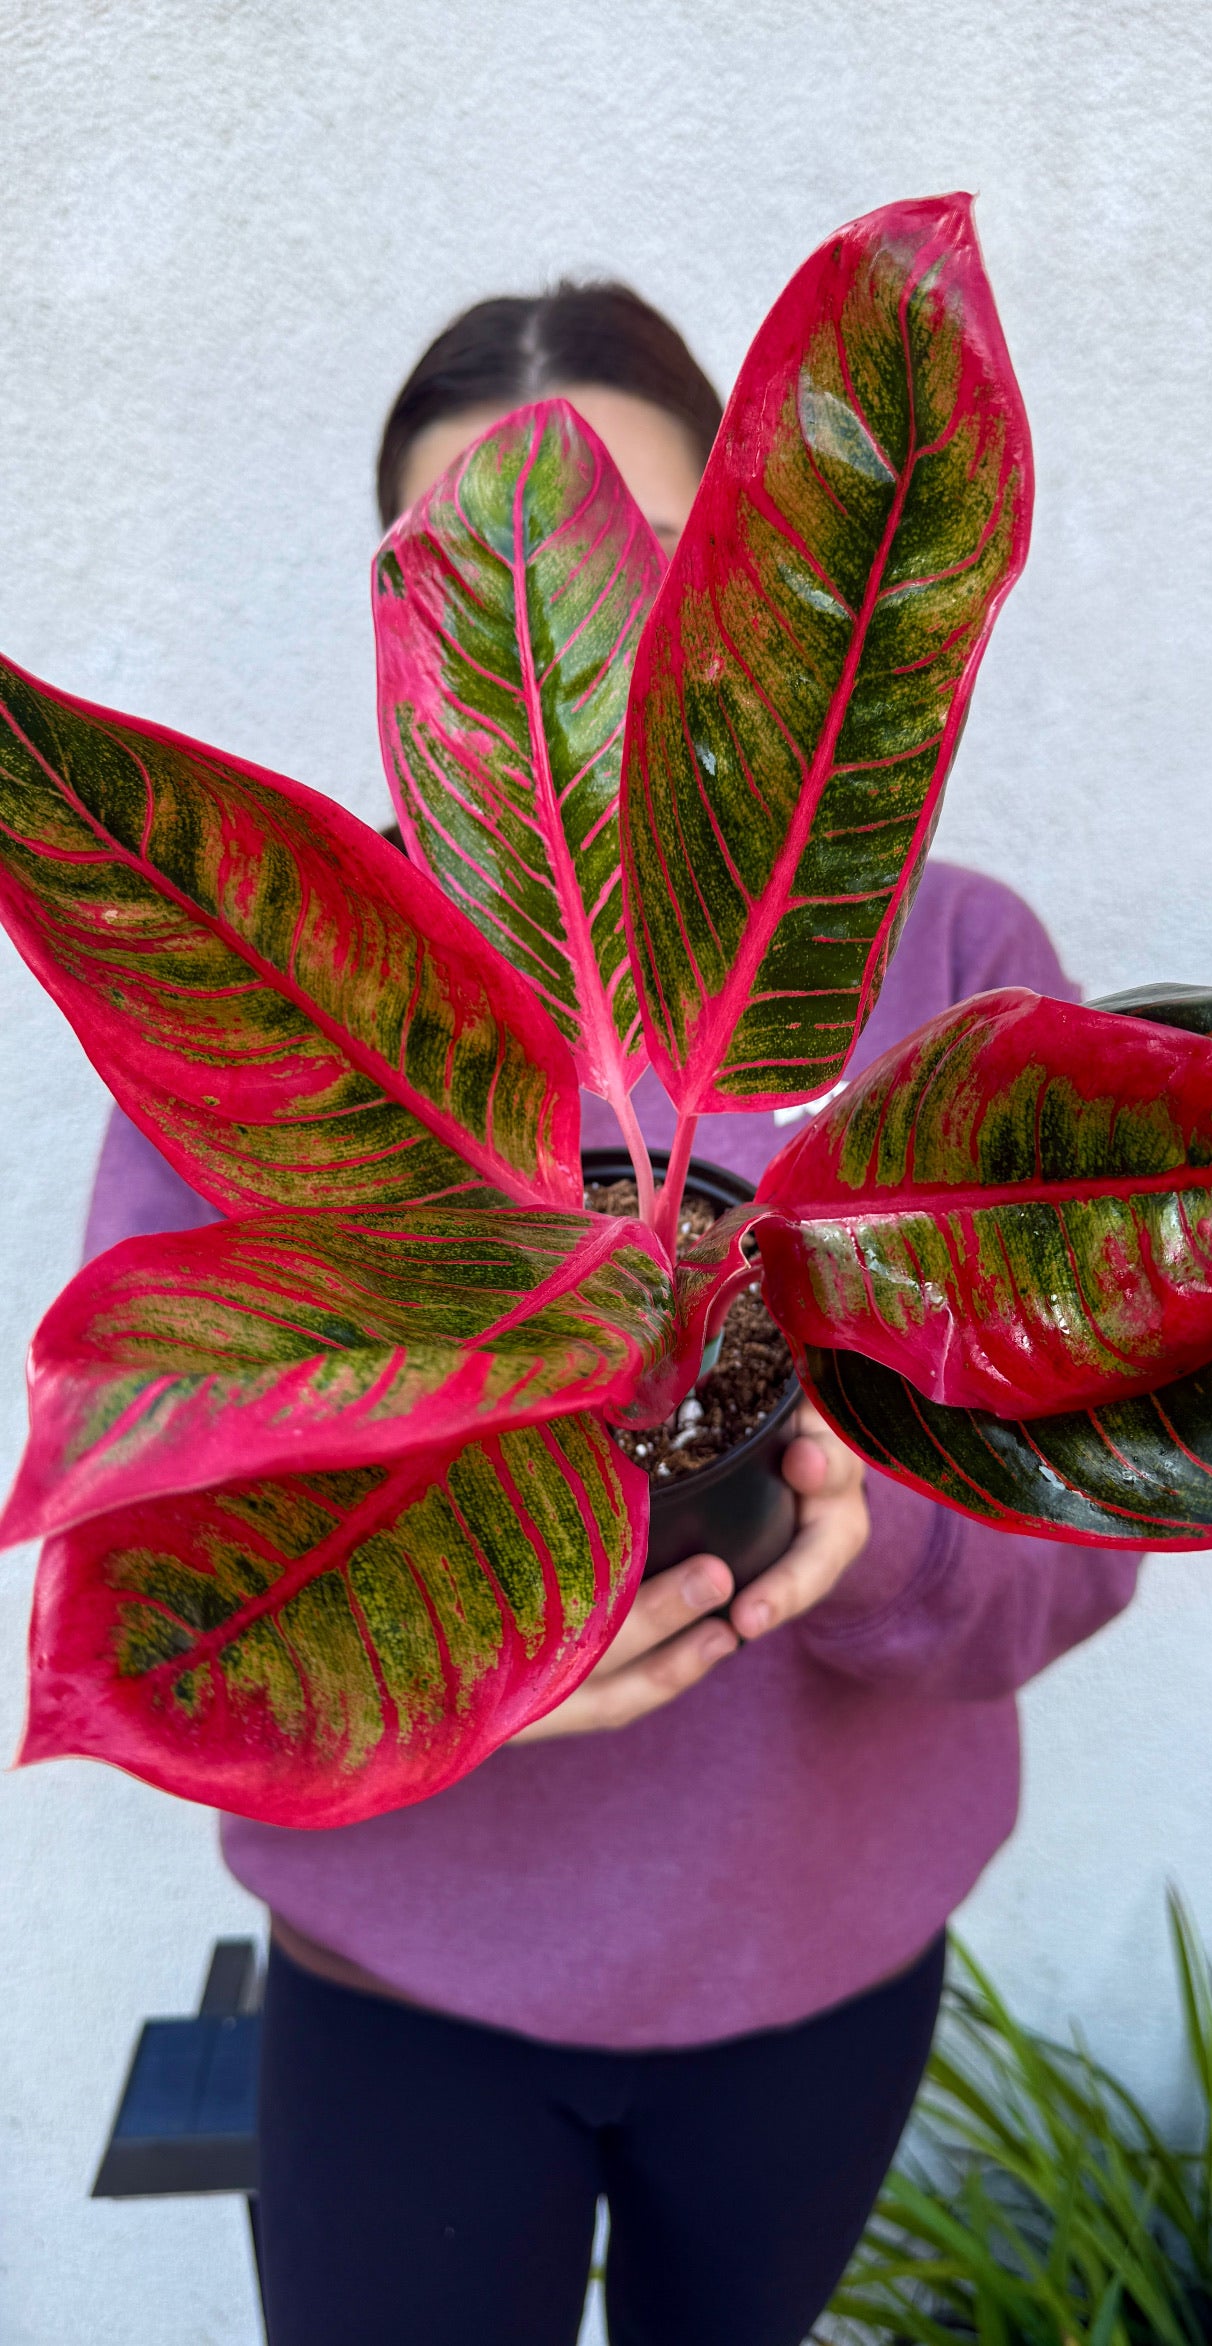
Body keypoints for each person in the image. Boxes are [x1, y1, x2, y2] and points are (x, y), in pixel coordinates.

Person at [84, 281, 1140, 2346]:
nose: (547, 635)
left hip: (814, 1973)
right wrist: (442, 1657)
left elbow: (1081, 1541)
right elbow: (172, 1540)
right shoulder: (298, 999)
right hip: (403, 1991)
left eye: (624, 573)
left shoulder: (934, 956)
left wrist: (869, 1528)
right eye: (460, 571)